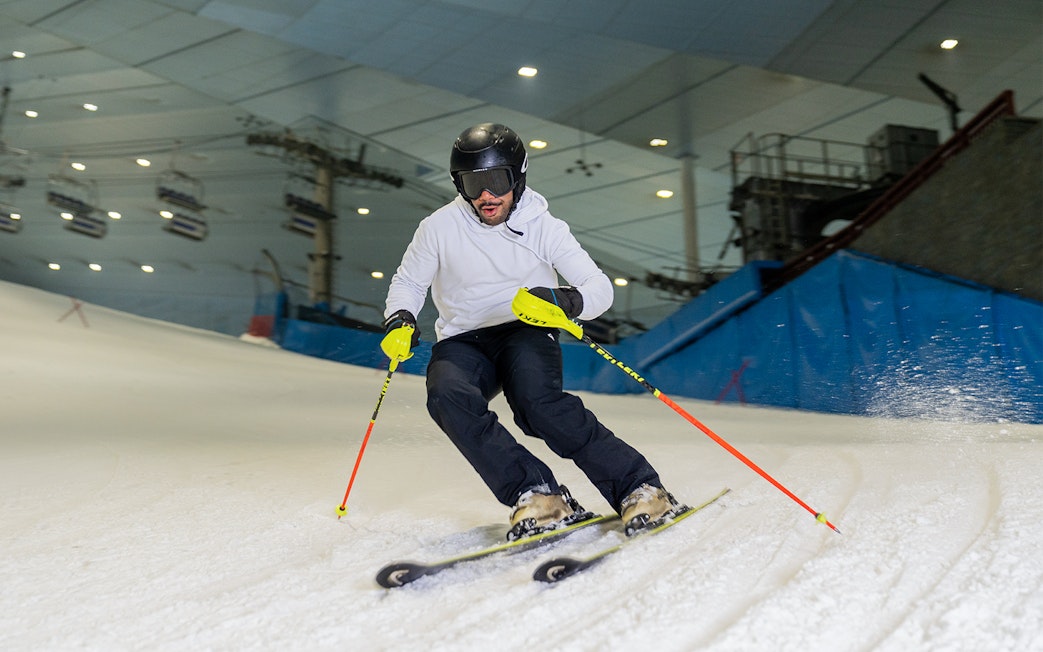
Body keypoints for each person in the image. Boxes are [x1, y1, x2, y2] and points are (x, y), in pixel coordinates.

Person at [381, 122, 686, 540]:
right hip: (463, 339)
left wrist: (564, 301)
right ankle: (538, 495)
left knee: (536, 404)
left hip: (526, 329)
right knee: (448, 396)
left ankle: (640, 487)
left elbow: (599, 290)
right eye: (473, 183)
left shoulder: (545, 227)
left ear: (518, 178)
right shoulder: (438, 228)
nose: (486, 196)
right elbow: (410, 283)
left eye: (496, 181)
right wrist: (401, 316)